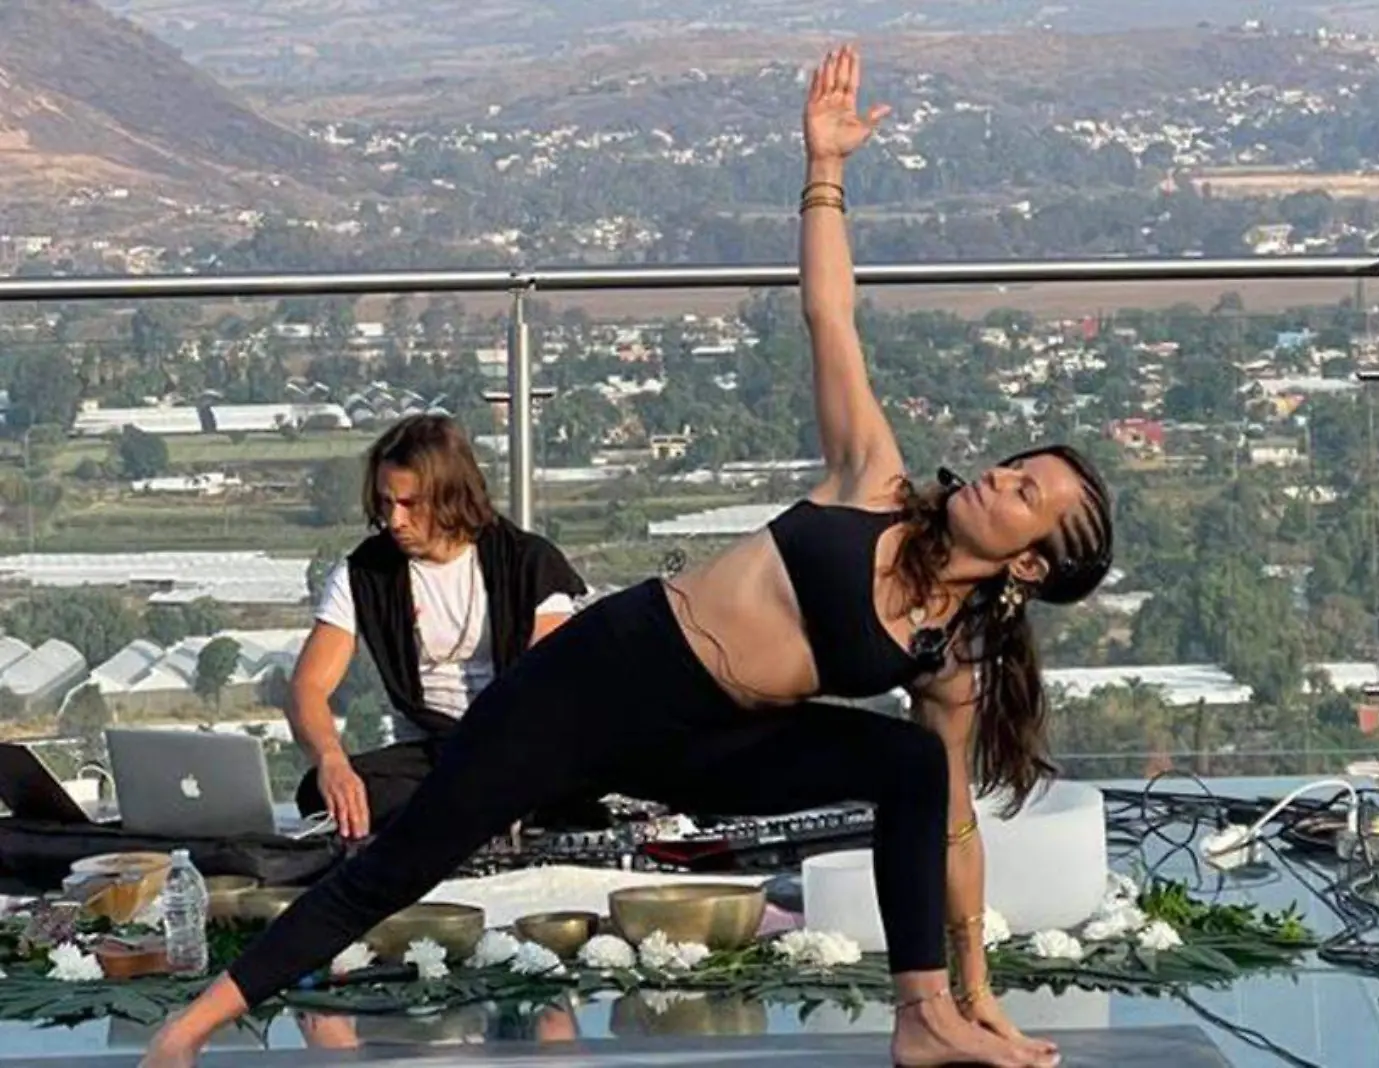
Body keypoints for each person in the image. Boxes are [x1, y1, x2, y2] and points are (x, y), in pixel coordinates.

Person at [143, 45, 1109, 1068]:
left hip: (714, 744)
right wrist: (824, 170)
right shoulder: (873, 481)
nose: (1001, 476)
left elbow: (950, 828)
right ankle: (191, 1029)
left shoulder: (947, 656)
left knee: (915, 767)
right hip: (604, 676)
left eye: (1026, 492)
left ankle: (925, 1021)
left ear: (1032, 566)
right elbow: (831, 315)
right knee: (412, 854)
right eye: (1014, 465)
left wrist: (977, 983)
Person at [289, 413, 593, 839]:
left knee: (569, 782)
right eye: (385, 502)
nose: (395, 520)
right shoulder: (365, 573)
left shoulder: (529, 563)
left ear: (450, 496)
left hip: (518, 746)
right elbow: (308, 687)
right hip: (427, 756)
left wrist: (504, 767)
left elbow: (547, 688)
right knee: (323, 796)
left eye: (410, 504)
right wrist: (331, 761)